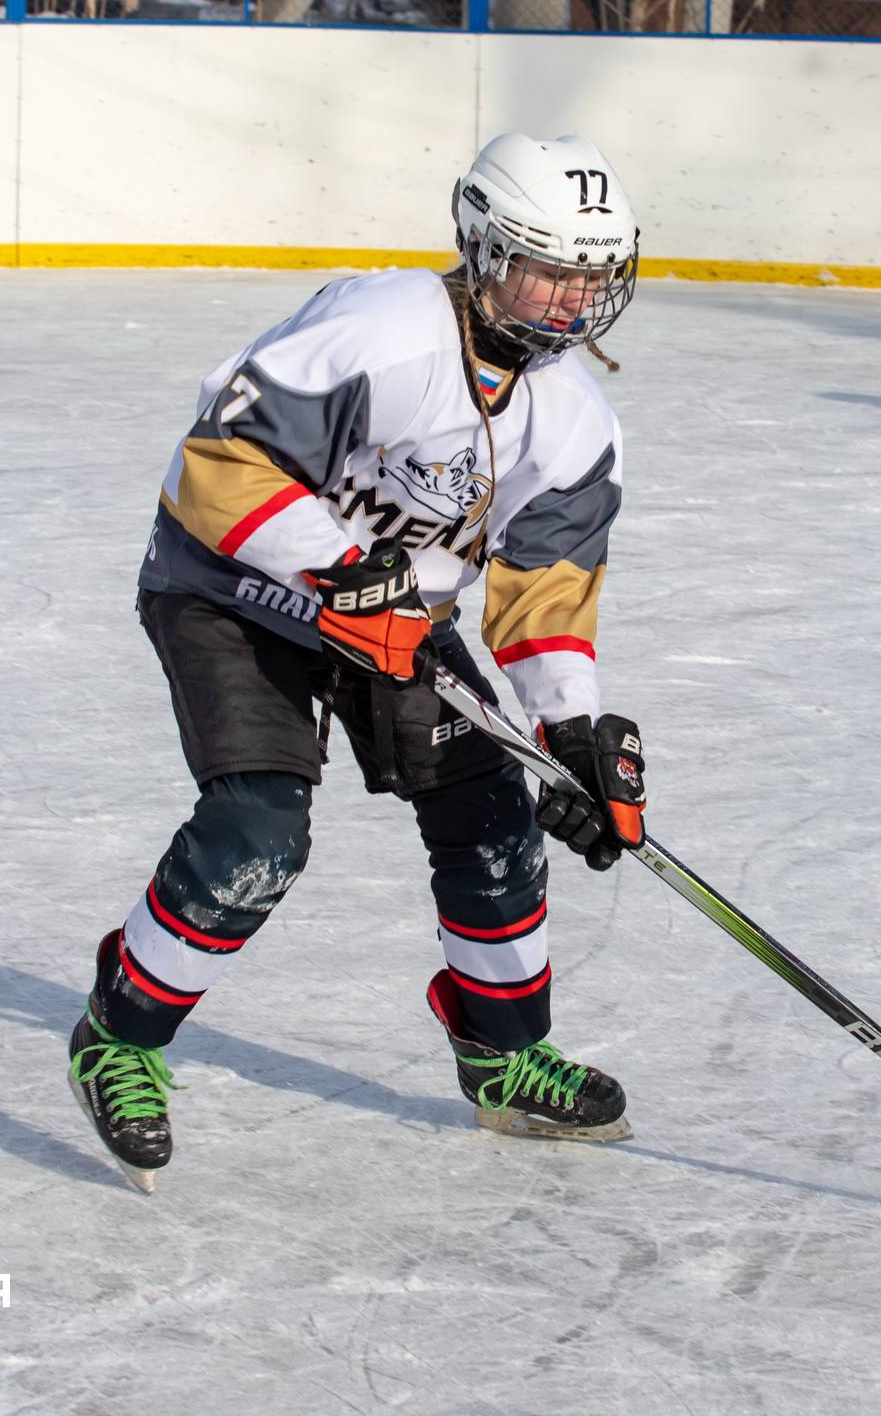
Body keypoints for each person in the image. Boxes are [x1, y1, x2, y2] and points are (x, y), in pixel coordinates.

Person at [67, 133, 653, 1191]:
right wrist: (338, 570)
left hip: (395, 624)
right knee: (257, 833)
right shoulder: (381, 328)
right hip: (233, 592)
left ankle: (504, 1050)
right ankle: (121, 1032)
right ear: (480, 247)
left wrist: (573, 727)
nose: (568, 304)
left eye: (589, 277)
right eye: (544, 269)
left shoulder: (572, 417)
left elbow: (546, 586)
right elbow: (220, 465)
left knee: (493, 816)